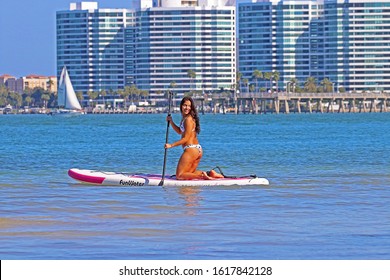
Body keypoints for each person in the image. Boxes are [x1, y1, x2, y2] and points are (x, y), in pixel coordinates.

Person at [164, 96, 224, 180]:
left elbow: (185, 138)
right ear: (181, 106)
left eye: (189, 106)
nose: (187, 108)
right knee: (189, 173)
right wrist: (171, 122)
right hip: (197, 150)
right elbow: (179, 131)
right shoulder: (185, 118)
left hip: (191, 150)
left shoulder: (188, 119)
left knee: (179, 175)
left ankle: (202, 176)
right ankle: (210, 173)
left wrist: (171, 145)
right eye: (185, 105)